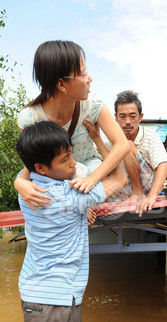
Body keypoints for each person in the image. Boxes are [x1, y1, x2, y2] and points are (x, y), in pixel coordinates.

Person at [16, 121, 128, 322]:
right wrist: (101, 145)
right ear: (41, 167)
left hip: (34, 296)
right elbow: (121, 178)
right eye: (65, 159)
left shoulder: (26, 192)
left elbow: (27, 171)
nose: (73, 163)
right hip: (57, 305)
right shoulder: (71, 196)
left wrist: (20, 179)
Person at [15, 40, 130, 211]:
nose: (90, 79)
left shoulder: (92, 104)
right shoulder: (31, 118)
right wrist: (20, 183)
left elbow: (122, 144)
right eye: (83, 75)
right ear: (61, 84)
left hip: (89, 171)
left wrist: (92, 180)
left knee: (84, 171)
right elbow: (34, 162)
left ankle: (85, 204)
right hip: (57, 179)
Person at [93, 90, 167, 217]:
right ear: (116, 117)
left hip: (148, 188)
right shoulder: (107, 139)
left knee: (126, 145)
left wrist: (152, 197)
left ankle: (138, 193)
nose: (128, 121)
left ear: (140, 117)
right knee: (105, 156)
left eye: (133, 116)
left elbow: (164, 165)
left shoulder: (150, 135)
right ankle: (131, 195)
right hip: (122, 189)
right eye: (122, 117)